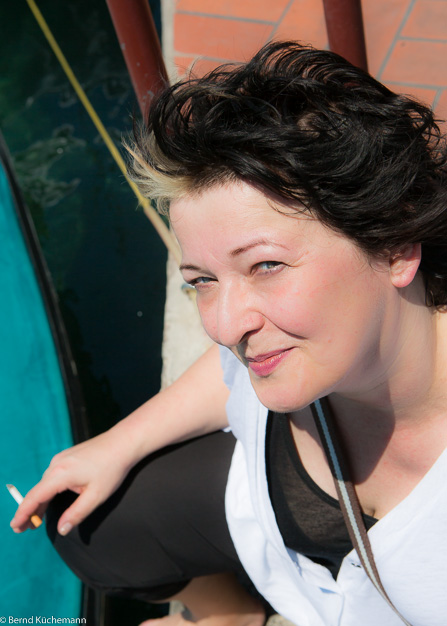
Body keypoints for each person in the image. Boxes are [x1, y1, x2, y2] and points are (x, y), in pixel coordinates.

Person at [10, 41, 447, 626]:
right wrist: (119, 443)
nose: (224, 326)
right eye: (203, 281)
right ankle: (231, 613)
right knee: (88, 525)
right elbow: (230, 377)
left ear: (394, 247)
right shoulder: (308, 346)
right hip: (277, 529)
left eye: (266, 265)